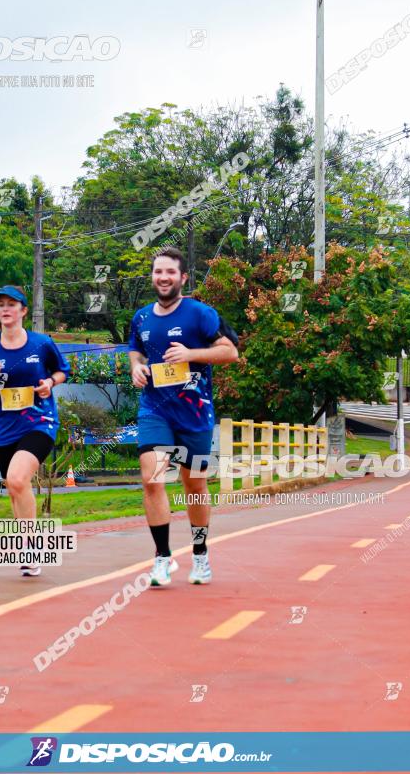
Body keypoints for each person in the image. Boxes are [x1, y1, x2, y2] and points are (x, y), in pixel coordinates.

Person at [128, 248, 239, 587]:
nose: (163, 278)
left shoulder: (201, 314)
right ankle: (162, 558)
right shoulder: (142, 318)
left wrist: (192, 354)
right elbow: (135, 348)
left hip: (194, 414)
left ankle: (201, 553)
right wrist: (136, 366)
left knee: (194, 485)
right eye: (158, 272)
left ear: (182, 278)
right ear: (152, 276)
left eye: (170, 273)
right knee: (153, 478)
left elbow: (230, 351)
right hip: (155, 410)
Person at [0, 285, 70, 576]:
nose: (5, 309)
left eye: (12, 304)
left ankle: (31, 546)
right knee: (15, 489)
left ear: (24, 310)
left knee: (16, 478)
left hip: (38, 423)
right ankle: (26, 546)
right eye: (0, 304)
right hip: (2, 431)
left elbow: (62, 370)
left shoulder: (41, 344)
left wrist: (50, 383)